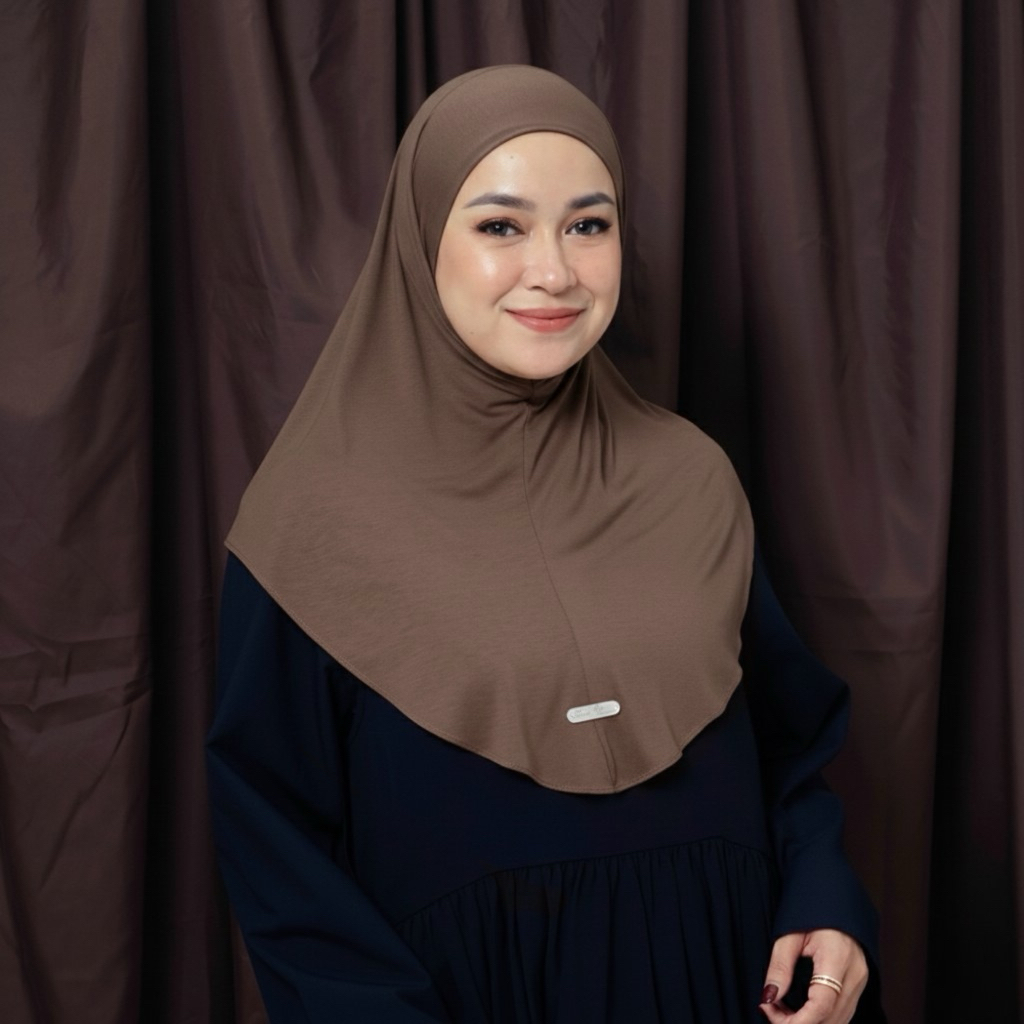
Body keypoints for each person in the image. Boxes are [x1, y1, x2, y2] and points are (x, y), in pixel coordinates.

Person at [207, 65, 883, 1024]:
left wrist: (825, 901)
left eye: (588, 225)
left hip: (729, 987)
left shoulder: (690, 478)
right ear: (421, 242)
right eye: (500, 226)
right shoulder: (309, 522)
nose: (556, 272)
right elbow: (277, 849)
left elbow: (789, 752)